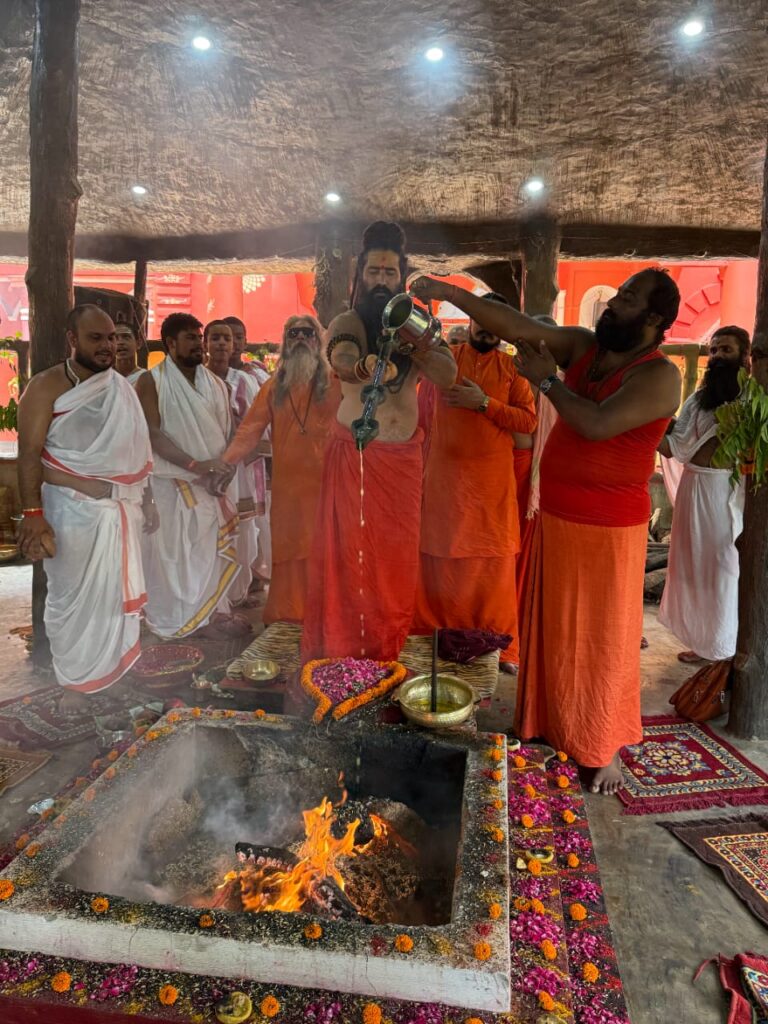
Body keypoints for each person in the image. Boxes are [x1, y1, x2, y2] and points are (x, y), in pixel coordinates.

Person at [411, 267, 682, 793]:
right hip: (557, 515)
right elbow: (514, 325)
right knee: (551, 631)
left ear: (653, 318)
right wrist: (448, 293)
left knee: (602, 639)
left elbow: (595, 424)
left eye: (626, 299)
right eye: (617, 294)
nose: (612, 303)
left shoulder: (659, 376)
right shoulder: (584, 346)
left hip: (608, 529)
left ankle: (604, 745)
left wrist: (547, 381)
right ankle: (546, 723)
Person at [302, 222, 456, 661]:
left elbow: (448, 375)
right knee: (351, 557)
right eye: (374, 272)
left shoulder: (416, 323)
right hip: (356, 457)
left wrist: (418, 343)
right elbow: (341, 354)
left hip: (402, 461)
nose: (382, 281)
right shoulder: (349, 321)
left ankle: (386, 644)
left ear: (401, 277)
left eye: (390, 273)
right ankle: (345, 645)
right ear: (360, 276)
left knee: (394, 557)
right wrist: (364, 366)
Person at [16, 305, 155, 707]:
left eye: (111, 338)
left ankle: (111, 674)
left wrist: (147, 499)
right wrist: (33, 515)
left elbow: (135, 450)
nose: (108, 346)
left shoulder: (121, 388)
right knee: (71, 599)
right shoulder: (45, 387)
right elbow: (30, 455)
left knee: (112, 599)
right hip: (71, 513)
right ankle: (75, 683)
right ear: (72, 339)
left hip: (122, 511)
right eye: (96, 338)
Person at [414, 292, 536, 671]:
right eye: (481, 319)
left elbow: (527, 421)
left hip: (491, 487)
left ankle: (500, 645)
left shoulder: (513, 370)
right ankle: (432, 636)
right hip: (445, 483)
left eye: (495, 321)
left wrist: (483, 404)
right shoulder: (446, 361)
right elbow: (421, 418)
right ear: (470, 321)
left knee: (492, 566)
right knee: (440, 560)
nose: (486, 328)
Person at [217, 315, 340, 624]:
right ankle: (289, 614)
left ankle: (327, 615)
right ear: (285, 342)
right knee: (288, 551)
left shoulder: (336, 383)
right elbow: (249, 431)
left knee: (326, 550)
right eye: (293, 333)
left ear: (318, 340)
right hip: (288, 490)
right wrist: (224, 464)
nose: (300, 339)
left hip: (329, 487)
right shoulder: (274, 387)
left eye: (307, 333)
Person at [135, 313, 247, 640]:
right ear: (170, 343)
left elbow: (229, 433)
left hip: (212, 486)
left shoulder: (217, 384)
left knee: (208, 553)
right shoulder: (152, 381)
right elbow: (152, 433)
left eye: (199, 337)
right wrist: (196, 466)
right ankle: (178, 620)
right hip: (173, 486)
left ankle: (209, 615)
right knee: (174, 558)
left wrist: (224, 470)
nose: (199, 344)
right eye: (190, 338)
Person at [658, 326, 750, 663]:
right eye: (713, 350)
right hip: (693, 487)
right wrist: (640, 421)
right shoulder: (699, 400)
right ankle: (703, 643)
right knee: (693, 566)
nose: (717, 357)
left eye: (726, 350)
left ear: (745, 357)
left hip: (725, 491)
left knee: (723, 568)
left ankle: (724, 647)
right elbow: (676, 445)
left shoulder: (752, 400)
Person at [205, 319, 260, 607]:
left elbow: (256, 425)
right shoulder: (196, 379)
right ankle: (214, 601)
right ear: (205, 343)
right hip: (207, 468)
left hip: (240, 470)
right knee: (210, 529)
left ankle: (237, 594)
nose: (223, 344)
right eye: (215, 338)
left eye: (227, 339)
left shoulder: (246, 381)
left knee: (243, 531)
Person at [223, 313, 271, 583]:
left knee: (255, 524)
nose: (231, 343)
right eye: (225, 337)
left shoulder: (257, 375)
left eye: (237, 337)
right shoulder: (205, 376)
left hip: (254, 462)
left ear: (244, 341)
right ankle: (229, 586)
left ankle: (252, 578)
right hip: (222, 463)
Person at [224, 315, 270, 385]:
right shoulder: (211, 376)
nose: (234, 342)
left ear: (245, 343)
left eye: (239, 337)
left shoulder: (256, 372)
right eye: (228, 338)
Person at [114, 322, 146, 386]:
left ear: (138, 344)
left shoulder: (146, 378)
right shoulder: (104, 378)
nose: (120, 342)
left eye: (126, 337)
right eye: (115, 338)